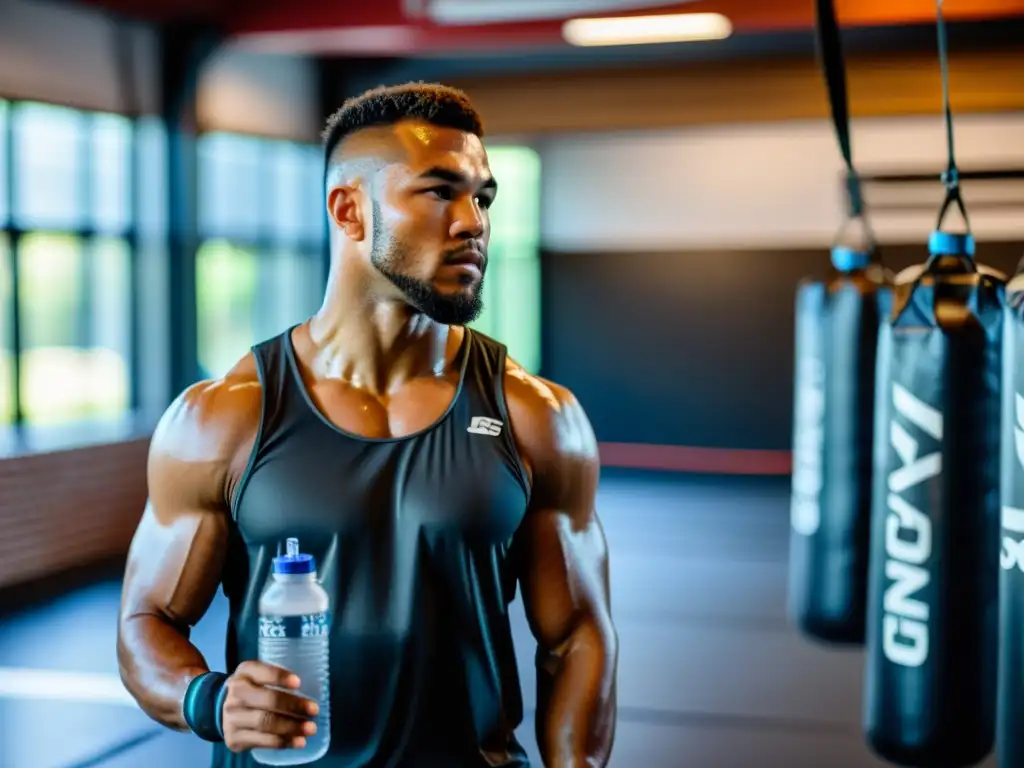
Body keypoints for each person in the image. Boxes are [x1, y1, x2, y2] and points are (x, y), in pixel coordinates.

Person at [117, 82, 618, 768]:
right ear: (349, 210)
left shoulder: (536, 416)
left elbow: (579, 634)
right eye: (441, 192)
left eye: (483, 198)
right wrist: (207, 698)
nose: (473, 222)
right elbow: (148, 621)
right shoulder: (223, 417)